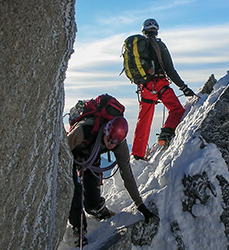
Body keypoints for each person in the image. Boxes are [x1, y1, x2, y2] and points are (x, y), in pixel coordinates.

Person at [67, 116, 154, 246]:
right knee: (74, 191)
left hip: (91, 159)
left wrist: (141, 205)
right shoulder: (83, 130)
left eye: (114, 143)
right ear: (105, 131)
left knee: (92, 204)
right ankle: (78, 229)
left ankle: (98, 209)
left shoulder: (120, 145)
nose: (110, 145)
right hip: (70, 158)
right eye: (109, 140)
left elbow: (127, 175)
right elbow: (63, 150)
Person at [131, 18, 196, 160]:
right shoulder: (159, 46)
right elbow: (170, 70)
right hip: (160, 84)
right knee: (176, 109)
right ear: (157, 30)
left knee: (144, 119)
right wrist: (183, 87)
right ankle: (165, 134)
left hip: (145, 87)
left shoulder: (139, 48)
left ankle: (137, 154)